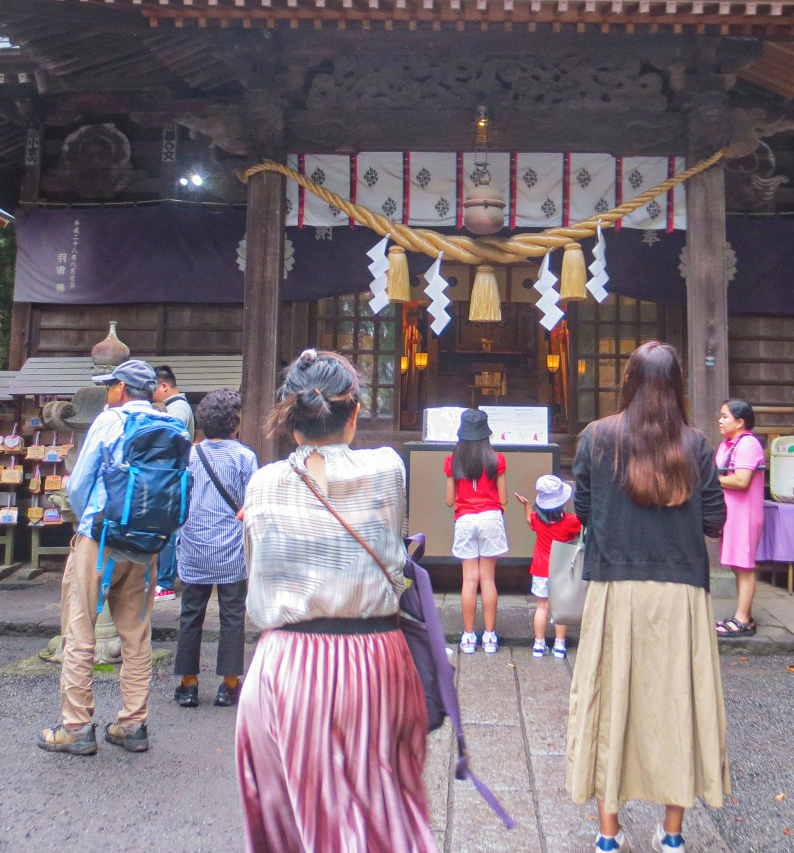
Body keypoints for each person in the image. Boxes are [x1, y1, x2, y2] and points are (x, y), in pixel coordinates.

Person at [236, 348, 436, 853]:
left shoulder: (262, 483)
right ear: (354, 415)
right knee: (379, 813)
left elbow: (255, 567)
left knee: (292, 821)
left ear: (290, 417)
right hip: (371, 658)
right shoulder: (388, 468)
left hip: (285, 664)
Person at [567, 341, 729, 853]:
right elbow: (714, 520)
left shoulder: (598, 437)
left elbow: (584, 509)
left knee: (610, 701)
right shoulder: (696, 445)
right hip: (680, 593)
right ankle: (674, 833)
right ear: (678, 383)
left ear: (629, 380)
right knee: (677, 703)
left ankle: (609, 835)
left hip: (616, 589)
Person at [38, 358, 186, 756]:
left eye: (110, 385)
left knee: (80, 629)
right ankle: (132, 723)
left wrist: (90, 523)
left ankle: (76, 726)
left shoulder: (109, 421)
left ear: (121, 388)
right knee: (137, 635)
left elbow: (80, 483)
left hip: (100, 541)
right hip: (147, 545)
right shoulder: (172, 425)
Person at [173, 387, 256, 709]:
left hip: (194, 546)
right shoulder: (244, 457)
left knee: (190, 615)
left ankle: (189, 684)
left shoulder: (190, 455)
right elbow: (252, 502)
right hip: (231, 550)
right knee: (232, 615)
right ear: (234, 422)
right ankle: (229, 685)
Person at [445, 408, 507, 655]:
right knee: (488, 580)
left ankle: (469, 637)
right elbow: (503, 499)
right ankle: (490, 637)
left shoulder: (453, 461)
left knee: (469, 581)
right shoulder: (496, 460)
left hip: (465, 519)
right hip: (491, 518)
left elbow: (450, 500)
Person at [514, 473, 582, 659]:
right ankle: (559, 645)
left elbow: (529, 518)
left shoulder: (537, 519)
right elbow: (581, 530)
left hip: (540, 569)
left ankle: (538, 644)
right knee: (559, 608)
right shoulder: (570, 521)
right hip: (561, 570)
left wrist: (526, 505)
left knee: (541, 607)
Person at [714, 399, 766, 637]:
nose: (720, 421)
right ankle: (742, 615)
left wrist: (708, 481)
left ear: (740, 421)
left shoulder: (749, 444)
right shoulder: (727, 445)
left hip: (745, 514)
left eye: (725, 416)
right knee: (737, 566)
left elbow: (741, 481)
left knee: (744, 567)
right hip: (731, 514)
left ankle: (742, 620)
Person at [153, 365, 194, 600]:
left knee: (168, 530)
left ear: (164, 386)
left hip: (171, 474)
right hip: (173, 474)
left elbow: (169, 442)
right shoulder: (177, 407)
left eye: (154, 389)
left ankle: (165, 582)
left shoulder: (177, 408)